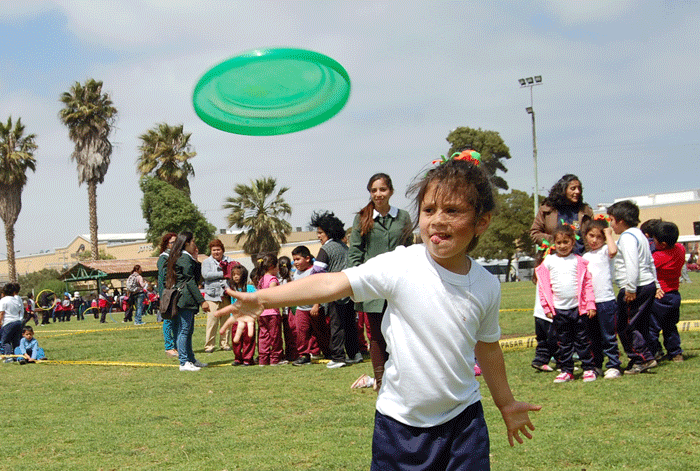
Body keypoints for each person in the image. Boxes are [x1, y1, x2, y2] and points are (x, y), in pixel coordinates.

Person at [216, 153, 540, 469]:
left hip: (463, 425)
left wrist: (506, 402)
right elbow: (331, 282)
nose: (437, 219)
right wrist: (263, 299)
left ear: (481, 221)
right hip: (399, 428)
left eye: (452, 210)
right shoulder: (402, 264)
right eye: (429, 209)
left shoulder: (486, 285)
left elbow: (488, 348)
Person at [348, 173, 413, 389]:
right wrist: (355, 282)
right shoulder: (361, 218)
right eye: (374, 190)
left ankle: (402, 377)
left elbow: (410, 249)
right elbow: (355, 252)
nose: (378, 194)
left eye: (383, 189)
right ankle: (380, 381)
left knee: (401, 333)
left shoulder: (403, 217)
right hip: (373, 285)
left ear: (391, 191)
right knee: (376, 336)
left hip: (399, 285)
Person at [529, 174, 593, 372]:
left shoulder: (585, 210)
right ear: (563, 189)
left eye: (579, 188)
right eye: (573, 188)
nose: (577, 192)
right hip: (553, 264)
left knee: (581, 310)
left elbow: (591, 234)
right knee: (549, 312)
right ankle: (552, 354)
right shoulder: (547, 209)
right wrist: (556, 240)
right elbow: (534, 233)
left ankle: (583, 354)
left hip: (578, 266)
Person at [536, 224, 597, 383]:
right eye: (559, 242)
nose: (562, 246)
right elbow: (543, 287)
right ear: (554, 244)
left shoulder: (579, 261)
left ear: (573, 242)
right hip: (559, 310)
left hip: (578, 309)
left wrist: (590, 304)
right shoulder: (549, 261)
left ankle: (588, 368)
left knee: (582, 340)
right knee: (563, 343)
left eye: (566, 242)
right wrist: (546, 307)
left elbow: (587, 285)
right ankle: (566, 370)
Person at [607, 200, 660, 375]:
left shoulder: (627, 237)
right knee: (640, 324)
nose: (611, 225)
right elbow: (650, 261)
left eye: (612, 220)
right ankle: (648, 354)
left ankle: (642, 358)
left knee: (625, 325)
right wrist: (656, 284)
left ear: (621, 220)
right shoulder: (640, 235)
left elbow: (632, 263)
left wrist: (630, 288)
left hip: (635, 286)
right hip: (647, 284)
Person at [310, 210, 360, 369]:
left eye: (320, 232)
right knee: (350, 325)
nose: (318, 236)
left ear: (329, 232)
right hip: (350, 291)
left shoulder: (326, 249)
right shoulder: (344, 246)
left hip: (335, 293)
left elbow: (317, 272)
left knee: (336, 326)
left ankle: (338, 358)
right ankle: (355, 354)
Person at [581, 218, 622, 379]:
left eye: (599, 237)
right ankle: (596, 365)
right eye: (591, 236)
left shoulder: (606, 250)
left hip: (606, 300)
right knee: (593, 337)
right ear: (586, 236)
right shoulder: (585, 256)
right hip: (591, 303)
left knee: (608, 336)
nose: (594, 240)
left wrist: (608, 233)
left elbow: (613, 250)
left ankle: (613, 365)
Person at [166, 231, 210, 372]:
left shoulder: (187, 258)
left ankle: (191, 359)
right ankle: (184, 362)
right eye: (193, 242)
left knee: (188, 331)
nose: (195, 245)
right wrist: (202, 301)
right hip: (184, 299)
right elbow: (190, 281)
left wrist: (196, 260)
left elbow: (196, 277)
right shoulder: (183, 258)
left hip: (187, 299)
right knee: (184, 330)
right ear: (186, 243)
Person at [647, 221, 685, 362]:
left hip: (659, 296)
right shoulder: (681, 249)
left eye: (654, 240)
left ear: (662, 244)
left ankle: (654, 352)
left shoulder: (658, 257)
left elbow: (647, 266)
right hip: (674, 295)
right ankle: (675, 353)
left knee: (652, 328)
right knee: (670, 327)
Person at [291, 246, 329, 366]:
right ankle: (304, 355)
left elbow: (319, 289)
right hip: (301, 309)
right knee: (302, 333)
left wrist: (316, 305)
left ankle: (328, 352)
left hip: (314, 309)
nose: (296, 262)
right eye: (294, 260)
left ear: (307, 259)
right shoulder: (296, 273)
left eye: (298, 259)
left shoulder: (314, 272)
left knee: (321, 332)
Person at [202, 238, 234, 353]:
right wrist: (224, 274)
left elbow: (234, 272)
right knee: (212, 323)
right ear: (211, 251)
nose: (216, 252)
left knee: (226, 322)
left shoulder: (230, 260)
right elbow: (206, 275)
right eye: (214, 250)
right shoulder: (206, 262)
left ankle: (225, 344)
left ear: (222, 250)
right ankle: (209, 346)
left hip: (226, 295)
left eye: (218, 250)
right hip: (212, 296)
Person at [256, 254, 286, 366]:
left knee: (263, 337)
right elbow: (273, 296)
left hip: (262, 313)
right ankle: (275, 359)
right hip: (272, 313)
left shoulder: (261, 280)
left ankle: (263, 360)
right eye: (277, 266)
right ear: (272, 266)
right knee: (275, 337)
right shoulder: (273, 279)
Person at [226, 265, 256, 366]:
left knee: (248, 339)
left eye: (238, 274)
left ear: (243, 275)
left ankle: (248, 359)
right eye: (234, 274)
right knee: (236, 340)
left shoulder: (250, 288)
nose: (235, 276)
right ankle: (238, 358)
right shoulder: (233, 290)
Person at [157, 232, 179, 358]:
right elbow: (163, 278)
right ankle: (169, 347)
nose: (175, 245)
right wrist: (163, 296)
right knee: (168, 320)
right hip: (167, 293)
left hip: (176, 292)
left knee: (176, 320)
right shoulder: (163, 258)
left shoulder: (176, 256)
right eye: (172, 243)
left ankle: (176, 345)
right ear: (166, 244)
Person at [278, 256, 298, 362]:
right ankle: (293, 353)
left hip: (286, 312)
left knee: (287, 334)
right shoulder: (293, 278)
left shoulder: (278, 280)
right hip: (293, 311)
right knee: (293, 333)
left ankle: (290, 354)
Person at [1, 283, 24, 362]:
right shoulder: (16, 300)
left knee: (5, 342)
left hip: (8, 323)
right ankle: (19, 357)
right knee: (16, 342)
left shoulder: (3, 300)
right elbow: (19, 311)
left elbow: (2, 313)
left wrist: (0, 322)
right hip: (18, 322)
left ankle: (9, 357)